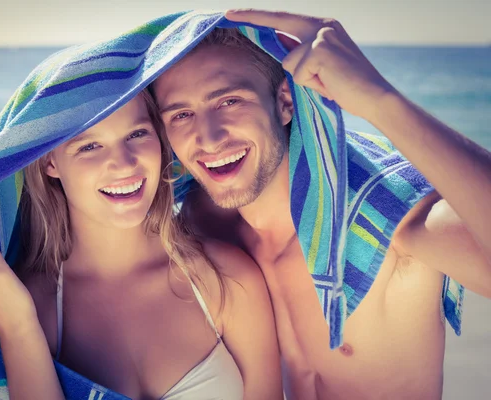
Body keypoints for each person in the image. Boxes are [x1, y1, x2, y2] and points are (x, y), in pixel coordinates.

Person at [151, 9, 491, 400]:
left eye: (229, 101)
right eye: (182, 114)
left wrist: (380, 101)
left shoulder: (385, 219)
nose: (208, 139)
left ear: (284, 102)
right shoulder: (202, 221)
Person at [0, 90, 282, 400]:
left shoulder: (226, 279)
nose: (124, 164)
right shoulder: (30, 304)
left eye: (137, 134)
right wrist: (17, 327)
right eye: (90, 145)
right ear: (50, 162)